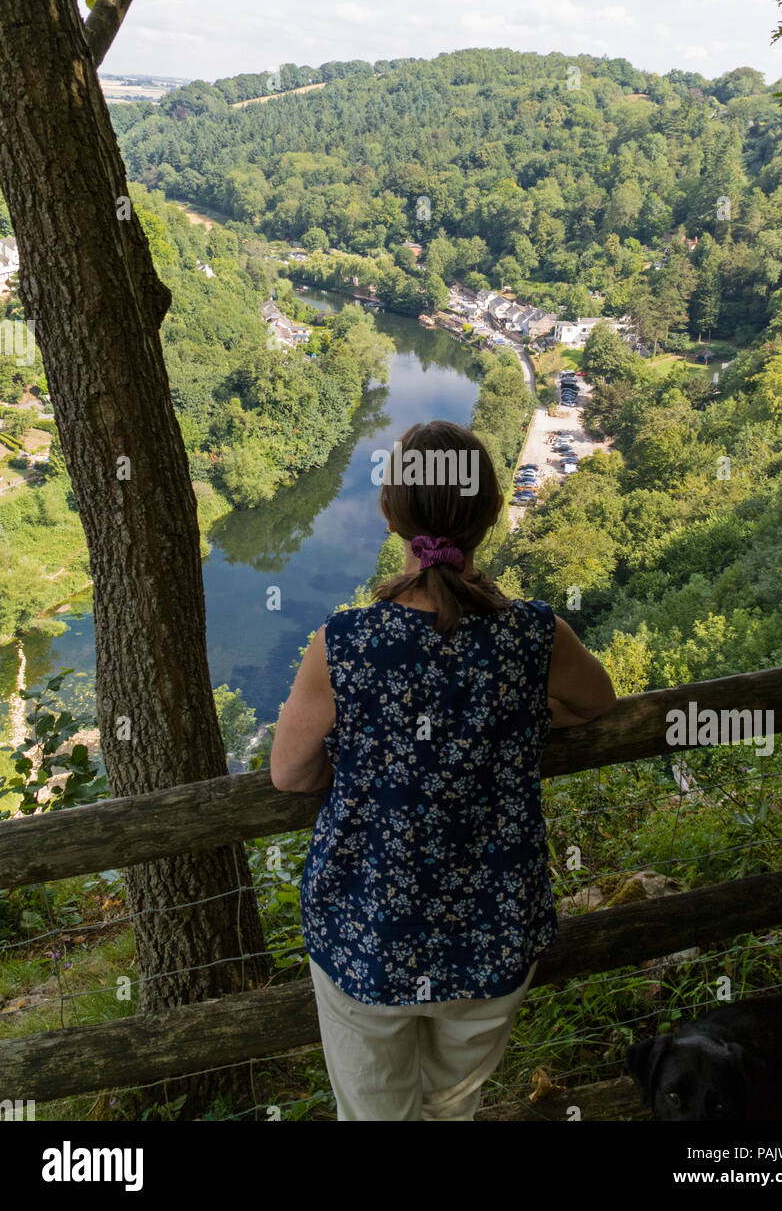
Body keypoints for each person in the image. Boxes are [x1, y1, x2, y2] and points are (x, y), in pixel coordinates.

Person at [270, 419, 617, 1120]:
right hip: (493, 931)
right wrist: (514, 721)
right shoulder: (535, 633)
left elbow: (292, 775)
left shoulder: (345, 642)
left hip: (367, 929)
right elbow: (596, 703)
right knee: (453, 1107)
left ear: (389, 513)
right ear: (491, 515)